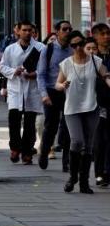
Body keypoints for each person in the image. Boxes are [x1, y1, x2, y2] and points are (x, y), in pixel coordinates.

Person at [54, 30, 103, 194]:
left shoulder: (95, 61)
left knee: (88, 145)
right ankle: (72, 177)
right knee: (77, 141)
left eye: (80, 44)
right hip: (72, 108)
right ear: (70, 47)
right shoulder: (66, 63)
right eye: (74, 45)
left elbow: (106, 76)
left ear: (84, 43)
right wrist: (62, 86)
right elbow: (57, 84)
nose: (78, 48)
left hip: (92, 107)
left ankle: (83, 182)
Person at [0, 21, 43, 164]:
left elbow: (44, 68)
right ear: (18, 31)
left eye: (30, 30)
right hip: (15, 90)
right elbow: (2, 67)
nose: (27, 33)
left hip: (32, 90)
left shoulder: (40, 48)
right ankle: (15, 148)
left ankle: (27, 151)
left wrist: (35, 74)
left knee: (30, 123)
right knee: (14, 121)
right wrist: (14, 71)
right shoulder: (10, 49)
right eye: (24, 30)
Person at [38, 20, 74, 172]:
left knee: (68, 128)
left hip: (70, 93)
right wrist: (44, 95)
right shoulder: (49, 49)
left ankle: (67, 160)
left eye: (69, 29)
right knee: (50, 127)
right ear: (57, 31)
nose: (67, 32)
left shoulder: (74, 49)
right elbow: (41, 74)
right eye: (64, 29)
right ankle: (44, 152)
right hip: (52, 92)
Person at [92, 22, 110, 187]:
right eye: (102, 33)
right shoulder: (91, 56)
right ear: (95, 36)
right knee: (100, 139)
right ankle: (100, 172)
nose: (106, 36)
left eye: (107, 33)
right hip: (95, 102)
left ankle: (107, 171)